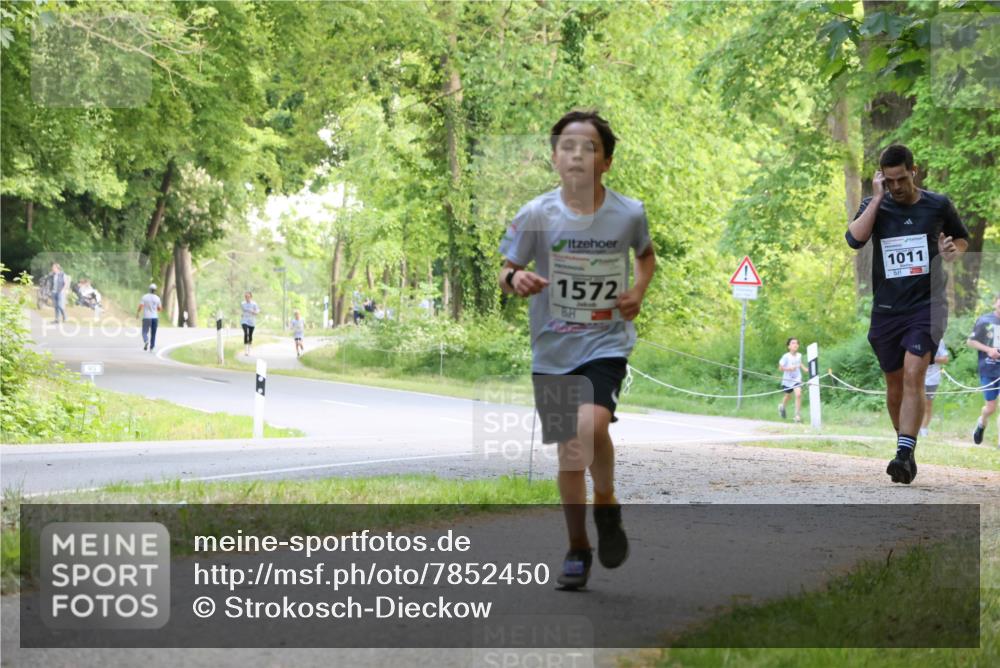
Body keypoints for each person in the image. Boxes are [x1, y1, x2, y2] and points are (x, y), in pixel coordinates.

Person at [498, 109, 656, 589]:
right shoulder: (535, 214)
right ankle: (579, 545)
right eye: (566, 146)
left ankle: (604, 498)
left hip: (606, 342)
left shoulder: (628, 213)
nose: (576, 155)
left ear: (606, 161)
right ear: (554, 158)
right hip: (551, 350)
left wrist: (638, 291)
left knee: (589, 426)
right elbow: (505, 270)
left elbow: (645, 256)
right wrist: (516, 279)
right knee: (570, 451)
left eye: (588, 147)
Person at [845, 144, 969, 484]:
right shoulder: (875, 204)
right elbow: (854, 239)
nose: (897, 186)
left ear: (913, 171)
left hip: (927, 306)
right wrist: (876, 199)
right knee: (895, 384)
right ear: (881, 178)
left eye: (901, 179)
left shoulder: (937, 204)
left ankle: (902, 453)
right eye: (890, 181)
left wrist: (952, 251)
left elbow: (961, 239)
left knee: (915, 372)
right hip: (887, 309)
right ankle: (906, 449)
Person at [967, 294, 1000, 447]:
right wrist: (989, 350)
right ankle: (981, 423)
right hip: (988, 369)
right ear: (995, 303)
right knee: (990, 408)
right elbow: (971, 341)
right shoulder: (984, 320)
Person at [920, 339, 949, 436]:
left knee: (928, 405)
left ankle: (923, 428)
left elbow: (945, 359)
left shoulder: (939, 341)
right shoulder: (917, 337)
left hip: (932, 379)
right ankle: (915, 427)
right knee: (917, 403)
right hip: (918, 377)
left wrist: (931, 358)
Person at [778, 337, 808, 422]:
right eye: (793, 343)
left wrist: (805, 369)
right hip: (787, 380)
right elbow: (780, 368)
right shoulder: (786, 356)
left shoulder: (799, 355)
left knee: (798, 394)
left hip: (797, 379)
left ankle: (797, 416)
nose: (795, 345)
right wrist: (789, 368)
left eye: (797, 343)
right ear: (789, 346)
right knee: (788, 396)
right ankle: (782, 406)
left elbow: (799, 363)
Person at [136, 284, 162, 352]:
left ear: (149, 289)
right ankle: (152, 347)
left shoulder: (145, 297)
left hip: (146, 317)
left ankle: (146, 340)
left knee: (144, 332)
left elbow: (141, 306)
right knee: (153, 333)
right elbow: (159, 309)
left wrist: (138, 313)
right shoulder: (157, 298)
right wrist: (155, 308)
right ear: (155, 290)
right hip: (154, 318)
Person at [240, 291, 260, 356]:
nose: (247, 298)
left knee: (250, 335)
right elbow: (243, 311)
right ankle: (246, 350)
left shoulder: (254, 304)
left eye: (248, 297)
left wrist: (254, 312)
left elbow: (257, 311)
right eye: (246, 297)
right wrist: (242, 314)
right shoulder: (242, 303)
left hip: (252, 321)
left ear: (251, 297)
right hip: (244, 320)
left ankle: (249, 349)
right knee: (246, 333)